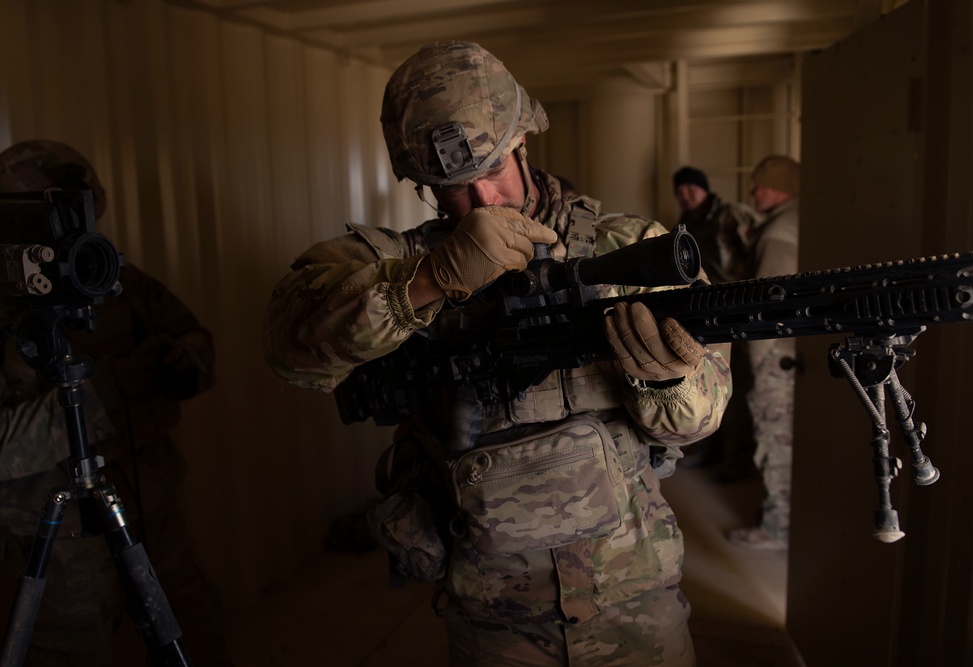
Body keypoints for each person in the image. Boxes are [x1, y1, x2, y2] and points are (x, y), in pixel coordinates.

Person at [263, 41, 731, 666]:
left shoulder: (633, 249)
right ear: (424, 186)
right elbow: (291, 347)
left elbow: (701, 420)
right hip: (495, 623)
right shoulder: (401, 264)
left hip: (634, 606)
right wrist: (430, 282)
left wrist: (669, 380)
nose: (482, 202)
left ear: (522, 145)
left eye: (490, 171)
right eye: (453, 187)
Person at [0, 140, 233, 665]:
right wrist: (105, 391)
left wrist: (180, 362)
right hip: (55, 545)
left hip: (148, 513)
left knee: (191, 629)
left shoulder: (105, 278)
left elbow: (197, 340)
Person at [726, 154, 800, 550]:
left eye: (762, 184)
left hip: (776, 356)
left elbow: (768, 307)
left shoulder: (778, 233)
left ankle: (777, 528)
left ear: (780, 189)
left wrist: (757, 362)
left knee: (775, 439)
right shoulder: (792, 222)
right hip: (792, 353)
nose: (754, 191)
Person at [671, 166, 758, 480]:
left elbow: (759, 256)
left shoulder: (732, 216)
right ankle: (710, 452)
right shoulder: (683, 227)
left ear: (705, 189)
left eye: (691, 188)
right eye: (680, 190)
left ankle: (738, 462)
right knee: (707, 388)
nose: (685, 194)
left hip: (740, 313)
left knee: (739, 393)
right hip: (705, 317)